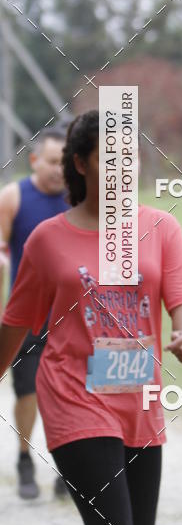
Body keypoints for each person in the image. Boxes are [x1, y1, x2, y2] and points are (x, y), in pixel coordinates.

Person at [0, 110, 182, 525]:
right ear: (81, 164)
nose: (122, 169)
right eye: (108, 159)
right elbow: (16, 321)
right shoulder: (48, 239)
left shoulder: (161, 228)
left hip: (139, 400)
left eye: (129, 158)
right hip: (73, 396)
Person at [0, 124, 70, 500]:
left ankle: (68, 467)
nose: (60, 170)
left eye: (65, 163)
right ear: (34, 160)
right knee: (27, 392)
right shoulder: (13, 197)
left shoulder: (81, 198)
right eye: (53, 162)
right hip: (26, 318)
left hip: (72, 318)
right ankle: (25, 458)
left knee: (70, 396)